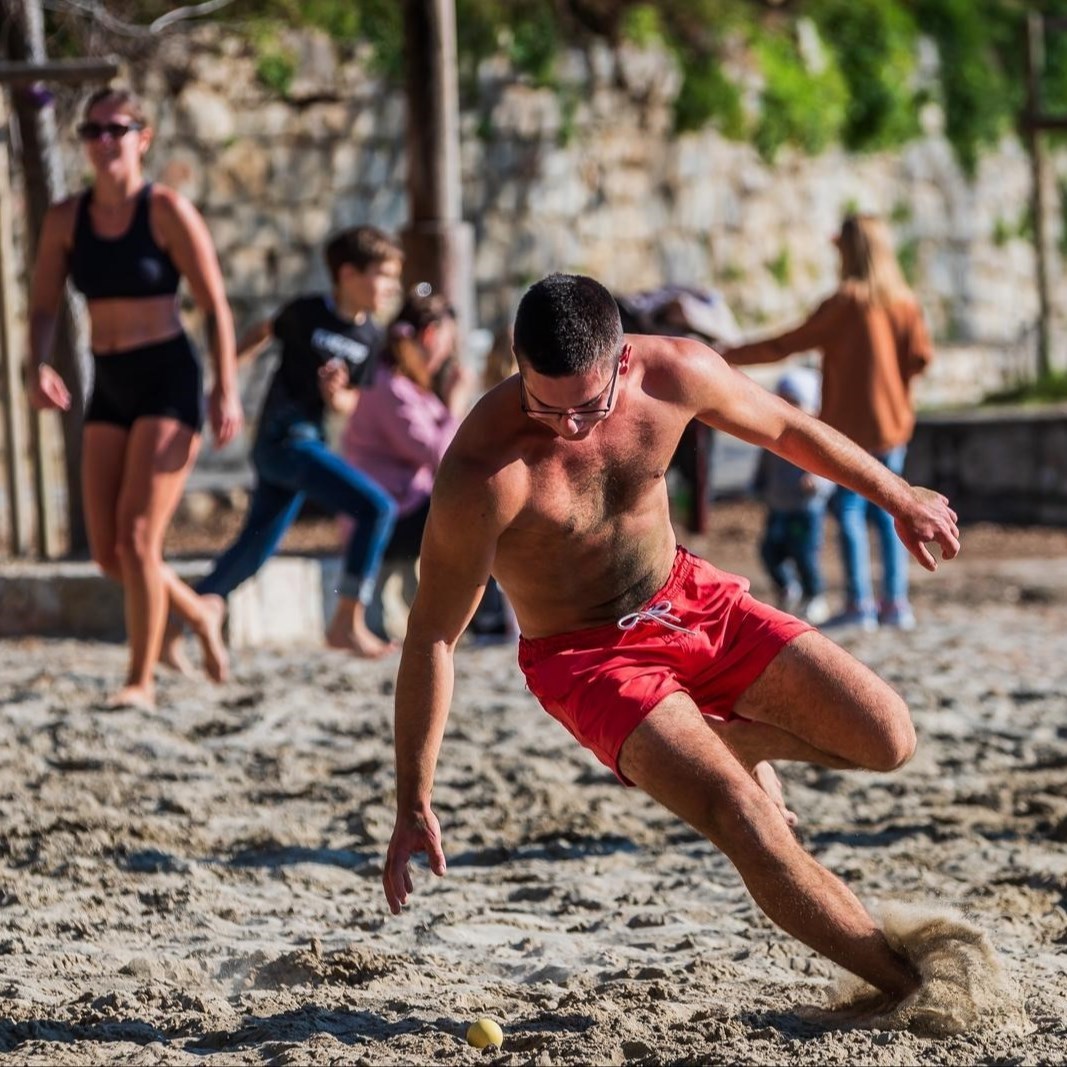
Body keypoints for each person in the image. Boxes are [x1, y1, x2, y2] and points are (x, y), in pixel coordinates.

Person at [382, 273, 960, 1005]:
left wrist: (898, 496)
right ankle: (913, 987)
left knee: (886, 737)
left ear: (623, 361)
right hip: (584, 657)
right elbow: (432, 634)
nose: (566, 428)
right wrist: (413, 798)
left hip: (688, 597)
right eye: (543, 403)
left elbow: (783, 428)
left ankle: (737, 741)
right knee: (744, 818)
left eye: (587, 408)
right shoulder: (482, 471)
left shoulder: (676, 372)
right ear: (515, 360)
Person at [27, 87, 243, 710]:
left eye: (115, 129)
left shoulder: (167, 210)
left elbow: (214, 304)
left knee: (142, 538)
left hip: (168, 378)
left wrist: (225, 386)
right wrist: (35, 365)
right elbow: (43, 305)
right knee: (107, 554)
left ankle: (139, 680)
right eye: (91, 131)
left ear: (141, 137)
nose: (102, 142)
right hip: (108, 378)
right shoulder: (66, 218)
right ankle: (198, 613)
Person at [171, 226, 403, 660]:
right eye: (384, 275)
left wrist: (337, 396)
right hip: (282, 440)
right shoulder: (307, 311)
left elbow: (351, 402)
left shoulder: (371, 337)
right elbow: (262, 332)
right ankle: (346, 622)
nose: (393, 287)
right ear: (349, 274)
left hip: (310, 441)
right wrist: (225, 381)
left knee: (255, 547)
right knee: (377, 508)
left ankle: (174, 628)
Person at [723, 213, 934, 631]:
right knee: (898, 511)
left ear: (849, 251)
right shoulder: (904, 302)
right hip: (893, 426)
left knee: (849, 509)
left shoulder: (844, 304)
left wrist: (724, 356)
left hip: (849, 430)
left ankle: (860, 600)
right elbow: (920, 359)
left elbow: (785, 344)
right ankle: (895, 602)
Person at [336, 287, 473, 638]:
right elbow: (441, 456)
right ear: (430, 334)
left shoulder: (405, 384)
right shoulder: (389, 386)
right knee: (475, 511)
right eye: (448, 341)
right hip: (389, 514)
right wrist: (455, 403)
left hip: (403, 508)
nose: (447, 353)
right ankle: (484, 614)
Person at [753, 368, 833, 625]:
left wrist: (817, 484)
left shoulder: (815, 440)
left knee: (805, 555)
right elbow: (764, 465)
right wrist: (757, 486)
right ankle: (788, 588)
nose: (787, 408)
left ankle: (815, 596)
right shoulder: (773, 437)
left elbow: (831, 472)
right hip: (778, 507)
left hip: (805, 510)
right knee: (769, 551)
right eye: (782, 401)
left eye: (794, 402)